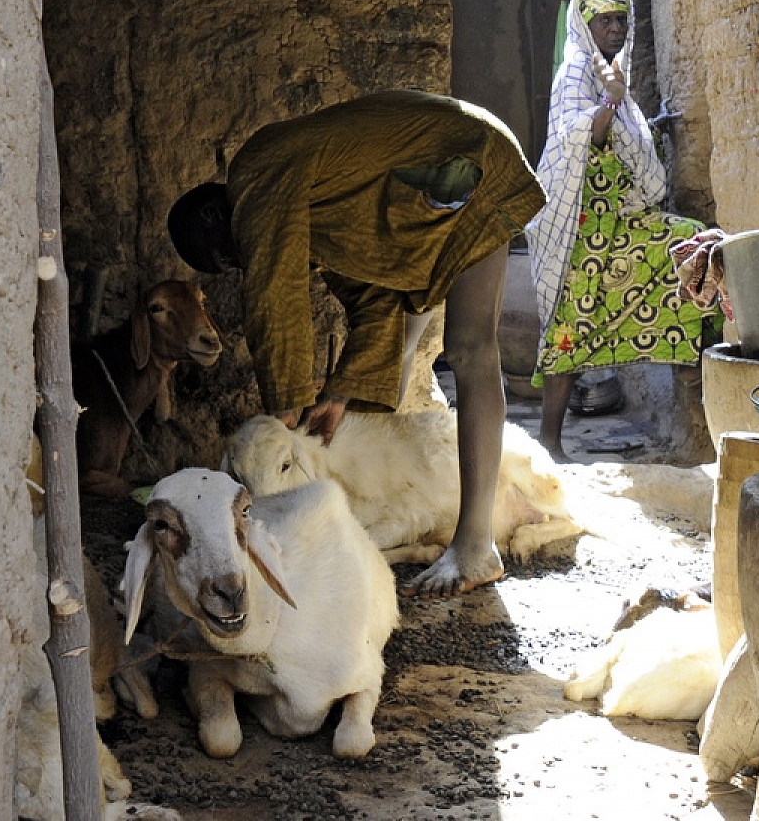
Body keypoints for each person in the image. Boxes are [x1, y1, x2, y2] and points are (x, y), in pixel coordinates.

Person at [167, 89, 546, 598]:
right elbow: (374, 300)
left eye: (229, 259)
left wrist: (286, 405)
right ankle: (441, 521)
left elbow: (272, 286)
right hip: (461, 171)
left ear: (217, 215)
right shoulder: (312, 210)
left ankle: (476, 546)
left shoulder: (258, 172)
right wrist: (340, 394)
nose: (242, 266)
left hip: (467, 159)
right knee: (436, 341)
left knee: (471, 348)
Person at [524, 0, 722, 462]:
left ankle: (697, 381)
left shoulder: (614, 74)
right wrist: (611, 100)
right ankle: (549, 442)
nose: (614, 28)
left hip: (619, 224)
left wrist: (629, 109)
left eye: (621, 20)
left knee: (695, 249)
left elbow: (623, 141)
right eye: (604, 20)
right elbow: (577, 137)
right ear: (585, 25)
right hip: (583, 229)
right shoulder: (576, 72)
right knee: (570, 324)